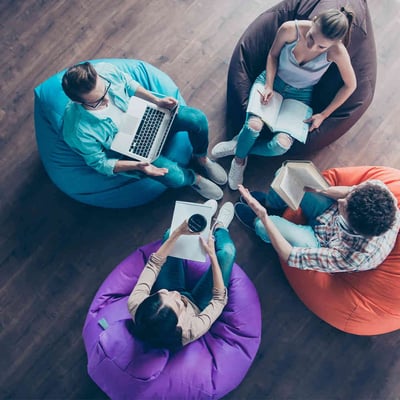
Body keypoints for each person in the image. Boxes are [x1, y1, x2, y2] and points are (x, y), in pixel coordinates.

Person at [212, 8, 357, 190]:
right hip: (272, 80)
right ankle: (239, 160)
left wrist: (324, 115)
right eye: (311, 37)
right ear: (314, 20)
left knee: (281, 146)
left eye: (321, 47)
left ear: (335, 43)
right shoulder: (289, 29)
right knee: (253, 126)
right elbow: (272, 55)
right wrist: (269, 86)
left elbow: (351, 85)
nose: (312, 47)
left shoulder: (338, 52)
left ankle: (239, 146)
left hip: (301, 95)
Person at [61, 61, 227, 200]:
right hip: (131, 149)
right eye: (96, 102)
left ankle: (201, 158)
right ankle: (194, 179)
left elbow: (128, 83)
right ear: (78, 102)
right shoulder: (77, 131)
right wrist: (138, 166)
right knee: (175, 178)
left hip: (146, 114)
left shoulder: (105, 70)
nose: (106, 99)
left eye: (105, 89)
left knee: (197, 118)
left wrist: (156, 100)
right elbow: (100, 163)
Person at [127, 200, 235, 351]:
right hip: (198, 304)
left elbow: (154, 264)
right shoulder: (189, 331)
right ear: (178, 323)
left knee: (168, 235)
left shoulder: (136, 304)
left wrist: (178, 233)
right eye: (177, 304)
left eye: (163, 294)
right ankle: (220, 227)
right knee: (227, 252)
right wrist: (212, 256)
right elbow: (219, 300)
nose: (176, 294)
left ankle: (200, 221)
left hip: (170, 283)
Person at [235, 180, 400, 273]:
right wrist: (321, 190)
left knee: (265, 226)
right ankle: (273, 203)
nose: (342, 201)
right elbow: (349, 192)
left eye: (345, 207)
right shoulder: (382, 194)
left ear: (353, 226)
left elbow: (290, 255)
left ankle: (258, 222)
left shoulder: (352, 257)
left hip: (322, 243)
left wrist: (263, 217)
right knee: (287, 179)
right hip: (328, 213)